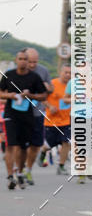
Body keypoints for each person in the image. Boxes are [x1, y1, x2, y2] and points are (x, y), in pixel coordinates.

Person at [0, 50, 48, 189]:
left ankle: (20, 173)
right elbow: (0, 92)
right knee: (10, 145)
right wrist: (11, 96)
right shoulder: (9, 75)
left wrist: (31, 95)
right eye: (20, 58)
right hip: (10, 114)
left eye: (25, 59)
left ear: (28, 61)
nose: (23, 61)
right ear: (16, 60)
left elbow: (44, 95)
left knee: (23, 147)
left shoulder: (34, 77)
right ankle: (10, 176)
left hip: (27, 116)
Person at [23, 48, 53, 184]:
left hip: (38, 113)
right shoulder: (16, 72)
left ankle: (27, 170)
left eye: (35, 62)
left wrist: (47, 86)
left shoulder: (43, 70)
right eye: (30, 62)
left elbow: (51, 89)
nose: (33, 65)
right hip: (20, 114)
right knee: (21, 144)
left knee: (35, 145)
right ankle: (20, 169)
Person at [41, 63, 72, 174]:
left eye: (70, 73)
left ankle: (61, 166)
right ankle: (43, 151)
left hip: (67, 120)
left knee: (66, 142)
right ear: (60, 72)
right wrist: (49, 106)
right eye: (66, 72)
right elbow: (42, 98)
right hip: (51, 121)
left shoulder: (73, 85)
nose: (68, 75)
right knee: (50, 144)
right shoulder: (52, 84)